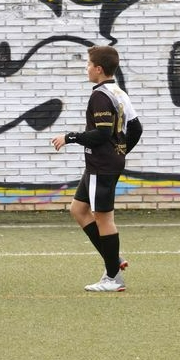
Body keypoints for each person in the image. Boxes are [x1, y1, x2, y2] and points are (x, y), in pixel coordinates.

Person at [50, 45, 142, 292]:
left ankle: (113, 278)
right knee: (78, 209)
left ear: (99, 69)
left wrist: (69, 137)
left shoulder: (100, 96)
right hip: (101, 163)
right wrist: (120, 151)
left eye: (89, 64)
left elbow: (102, 133)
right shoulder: (118, 92)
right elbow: (136, 128)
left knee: (103, 217)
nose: (87, 68)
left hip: (102, 165)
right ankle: (114, 259)